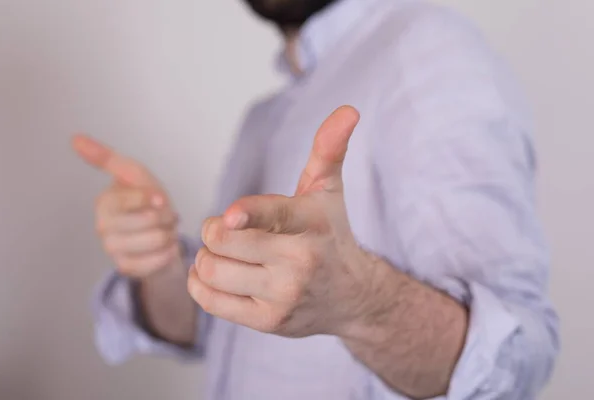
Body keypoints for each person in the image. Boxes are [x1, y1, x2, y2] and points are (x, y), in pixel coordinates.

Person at [73, 0, 560, 399]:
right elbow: (215, 328)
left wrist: (361, 303)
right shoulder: (263, 119)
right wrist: (156, 263)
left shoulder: (430, 53)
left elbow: (518, 355)